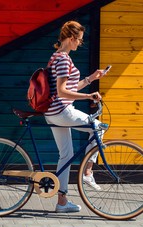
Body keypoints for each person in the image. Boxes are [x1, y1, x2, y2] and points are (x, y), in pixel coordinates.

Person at [44, 21, 108, 213]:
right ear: (71, 39)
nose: (80, 43)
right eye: (79, 40)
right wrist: (89, 96)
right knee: (98, 126)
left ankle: (61, 202)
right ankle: (88, 172)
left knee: (66, 155)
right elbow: (63, 92)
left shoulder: (56, 57)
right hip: (62, 111)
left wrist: (91, 79)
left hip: (52, 112)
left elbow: (69, 87)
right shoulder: (63, 59)